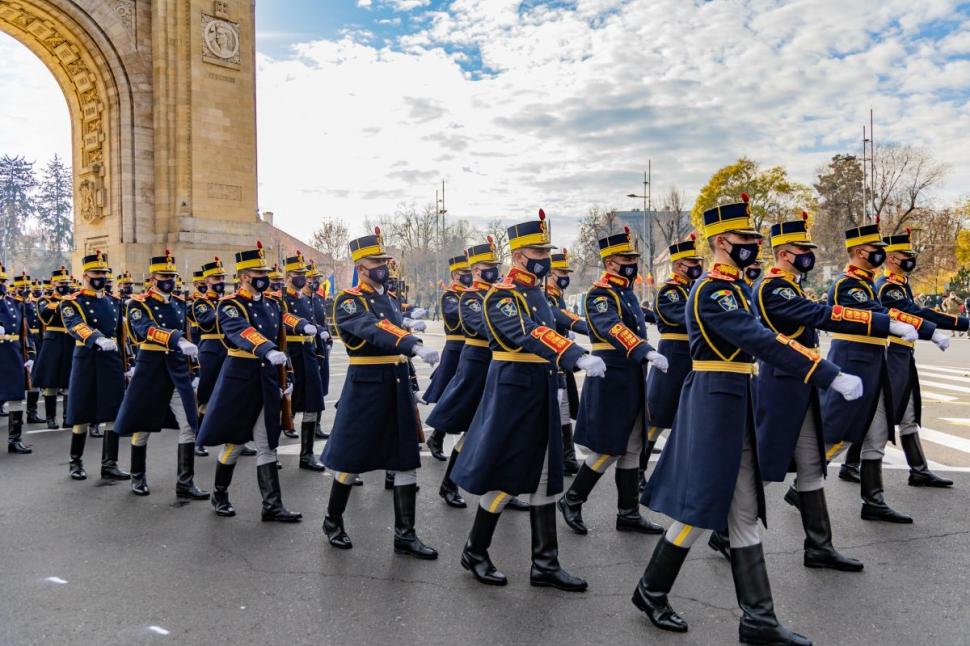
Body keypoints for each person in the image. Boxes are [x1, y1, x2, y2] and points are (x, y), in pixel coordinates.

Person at [634, 195, 860, 644]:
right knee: (701, 508)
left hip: (733, 399)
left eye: (755, 238)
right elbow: (759, 339)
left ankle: (757, 618)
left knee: (743, 513)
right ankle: (651, 589)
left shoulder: (734, 287)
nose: (752, 245)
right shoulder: (715, 290)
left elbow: (768, 336)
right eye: (744, 238)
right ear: (720, 242)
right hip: (715, 403)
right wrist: (827, 373)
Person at [451, 210, 606, 590]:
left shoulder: (536, 291)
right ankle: (475, 549)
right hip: (513, 389)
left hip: (540, 385)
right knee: (506, 473)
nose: (544, 257)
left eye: (545, 250)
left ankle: (545, 563)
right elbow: (528, 332)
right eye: (537, 251)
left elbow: (554, 320)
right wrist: (574, 355)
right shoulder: (501, 295)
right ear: (519, 256)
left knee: (545, 476)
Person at [752, 214, 894, 572]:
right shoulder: (773, 286)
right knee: (767, 465)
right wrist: (880, 321)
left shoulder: (790, 284)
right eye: (803, 249)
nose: (809, 254)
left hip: (803, 380)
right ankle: (725, 529)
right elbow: (816, 314)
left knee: (812, 466)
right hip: (783, 382)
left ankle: (819, 546)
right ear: (784, 253)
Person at [321, 227, 441, 558]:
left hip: (397, 379)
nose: (383, 267)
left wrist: (409, 344)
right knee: (350, 456)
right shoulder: (348, 301)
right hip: (367, 384)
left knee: (405, 457)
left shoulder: (388, 298)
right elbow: (371, 329)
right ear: (360, 266)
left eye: (384, 261)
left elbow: (394, 332)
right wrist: (410, 341)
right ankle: (333, 521)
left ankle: (405, 534)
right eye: (376, 262)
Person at [819, 222, 943, 524]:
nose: (882, 255)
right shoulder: (847, 284)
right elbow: (883, 315)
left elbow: (889, 313)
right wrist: (925, 328)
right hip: (854, 366)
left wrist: (923, 329)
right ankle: (800, 484)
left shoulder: (865, 284)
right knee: (840, 436)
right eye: (877, 250)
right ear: (861, 251)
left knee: (876, 433)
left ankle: (873, 501)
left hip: (873, 365)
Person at [560, 229, 668, 536]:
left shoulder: (626, 292)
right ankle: (572, 499)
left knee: (633, 446)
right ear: (610, 263)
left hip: (631, 376)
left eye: (634, 258)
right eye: (626, 258)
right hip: (611, 376)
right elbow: (611, 327)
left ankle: (628, 513)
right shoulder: (600, 294)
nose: (632, 263)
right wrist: (645, 351)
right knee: (608, 447)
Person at [196, 242, 302, 522]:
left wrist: (287, 375)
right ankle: (219, 494)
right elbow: (240, 331)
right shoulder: (230, 305)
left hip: (267, 377)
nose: (263, 276)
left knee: (267, 441)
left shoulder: (271, 303)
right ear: (244, 276)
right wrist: (266, 349)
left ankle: (272, 505)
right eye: (257, 272)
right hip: (239, 377)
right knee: (234, 441)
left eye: (264, 272)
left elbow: (281, 341)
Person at [427, 237, 529, 510]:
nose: (494, 270)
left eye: (495, 264)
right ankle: (449, 484)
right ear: (474, 270)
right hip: (476, 363)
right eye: (488, 265)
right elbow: (484, 325)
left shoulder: (501, 293)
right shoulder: (469, 297)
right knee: (473, 430)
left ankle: (503, 490)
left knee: (500, 430)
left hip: (498, 363)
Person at [113, 251, 209, 499]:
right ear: (153, 278)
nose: (169, 280)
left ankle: (185, 483)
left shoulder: (179, 303)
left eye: (172, 276)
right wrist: (176, 338)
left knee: (189, 423)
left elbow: (189, 330)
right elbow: (144, 329)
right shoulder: (138, 303)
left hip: (177, 367)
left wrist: (193, 366)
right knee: (142, 425)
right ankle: (138, 477)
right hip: (151, 367)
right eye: (164, 276)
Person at [876, 228, 967, 488]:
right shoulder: (888, 288)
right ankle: (848, 465)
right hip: (891, 354)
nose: (911, 259)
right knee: (881, 414)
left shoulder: (899, 284)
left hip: (902, 353)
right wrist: (962, 323)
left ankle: (918, 470)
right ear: (892, 258)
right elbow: (917, 313)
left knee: (907, 410)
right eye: (907, 254)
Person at [59, 252, 129, 482]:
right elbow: (74, 324)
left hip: (111, 359)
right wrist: (95, 338)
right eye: (96, 273)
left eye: (104, 273)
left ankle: (109, 463)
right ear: (85, 274)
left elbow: (122, 334)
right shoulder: (72, 301)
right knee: (82, 411)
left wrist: (129, 361)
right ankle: (75, 461)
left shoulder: (113, 301)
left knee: (112, 411)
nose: (101, 277)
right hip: (87, 357)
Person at [643, 236, 704, 489]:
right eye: (692, 262)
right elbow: (685, 317)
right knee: (657, 419)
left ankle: (682, 473)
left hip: (690, 358)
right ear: (679, 265)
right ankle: (637, 469)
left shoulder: (691, 290)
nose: (697, 266)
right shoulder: (669, 292)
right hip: (672, 358)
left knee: (688, 417)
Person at [279, 251, 326, 471]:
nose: (302, 277)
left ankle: (306, 455)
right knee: (286, 403)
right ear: (288, 276)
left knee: (312, 402)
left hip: (307, 352)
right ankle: (272, 451)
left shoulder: (307, 299)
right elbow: (283, 319)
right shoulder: (281, 299)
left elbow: (314, 322)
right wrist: (300, 325)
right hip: (290, 352)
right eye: (297, 273)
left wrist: (318, 336)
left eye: (303, 273)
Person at [545, 248, 588, 476]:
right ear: (550, 274)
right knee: (554, 407)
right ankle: (561, 457)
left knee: (563, 406)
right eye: (561, 271)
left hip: (562, 355)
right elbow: (559, 317)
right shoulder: (545, 294)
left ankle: (567, 457)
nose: (565, 275)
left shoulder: (557, 295)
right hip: (551, 356)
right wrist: (584, 327)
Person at [423, 254, 471, 460]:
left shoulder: (473, 294)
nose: (468, 277)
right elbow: (456, 313)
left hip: (471, 349)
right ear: (454, 274)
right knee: (449, 396)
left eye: (470, 273)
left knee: (464, 396)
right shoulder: (450, 295)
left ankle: (439, 437)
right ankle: (437, 437)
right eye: (464, 273)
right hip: (456, 348)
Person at [32, 267, 74, 430]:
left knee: (68, 380)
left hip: (69, 340)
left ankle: (67, 417)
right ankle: (50, 418)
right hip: (53, 341)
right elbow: (44, 318)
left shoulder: (72, 299)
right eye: (61, 283)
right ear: (54, 283)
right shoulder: (45, 300)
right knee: (50, 381)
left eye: (66, 283)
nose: (64, 286)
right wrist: (59, 305)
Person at [1, 267, 33, 454]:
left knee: (15, 398)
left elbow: (24, 331)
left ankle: (15, 439)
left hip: (13, 355)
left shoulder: (15, 303)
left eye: (3, 282)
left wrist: (30, 354)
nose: (1, 285)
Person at [12, 273, 43, 425]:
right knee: (15, 381)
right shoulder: (13, 304)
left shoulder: (33, 303)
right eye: (21, 288)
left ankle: (32, 412)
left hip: (33, 342)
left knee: (34, 379)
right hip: (17, 345)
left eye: (26, 287)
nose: (24, 290)